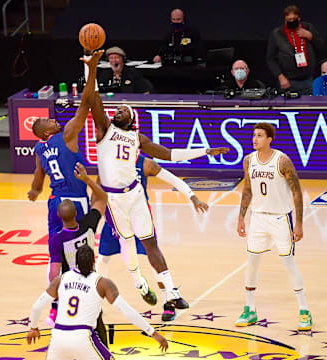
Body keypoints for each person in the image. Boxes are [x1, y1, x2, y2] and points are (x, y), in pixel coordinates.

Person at [82, 49, 229, 321]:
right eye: (120, 108)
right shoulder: (104, 130)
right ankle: (138, 282)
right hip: (113, 200)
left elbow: (170, 155)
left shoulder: (138, 139)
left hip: (135, 196)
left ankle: (171, 292)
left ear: (132, 120)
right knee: (126, 247)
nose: (121, 108)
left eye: (126, 109)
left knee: (150, 244)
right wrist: (92, 69)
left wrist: (204, 151)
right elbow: (92, 98)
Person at [96, 154, 208, 310]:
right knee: (103, 258)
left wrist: (193, 197)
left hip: (139, 216)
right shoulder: (108, 162)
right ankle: (99, 300)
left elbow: (173, 179)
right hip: (116, 216)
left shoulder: (144, 163)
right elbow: (97, 191)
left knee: (152, 256)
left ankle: (169, 300)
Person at [27, 244, 168, 359]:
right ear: (94, 261)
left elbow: (36, 307)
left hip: (58, 337)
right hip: (83, 337)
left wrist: (33, 327)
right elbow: (127, 311)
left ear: (75, 262)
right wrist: (153, 333)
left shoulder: (61, 279)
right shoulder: (102, 283)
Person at [236, 122, 312, 331]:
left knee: (288, 263)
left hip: (280, 218)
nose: (255, 139)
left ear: (270, 139)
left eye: (260, 136)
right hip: (258, 218)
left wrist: (298, 222)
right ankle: (250, 309)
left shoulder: (282, 161)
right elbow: (248, 190)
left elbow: (296, 192)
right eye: (254, 135)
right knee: (252, 261)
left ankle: (304, 311)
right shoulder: (248, 160)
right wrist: (241, 217)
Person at [27, 51, 101, 237]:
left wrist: (35, 190)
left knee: (56, 246)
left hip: (55, 201)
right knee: (81, 246)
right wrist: (92, 70)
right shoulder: (67, 135)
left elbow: (39, 173)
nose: (53, 120)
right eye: (49, 121)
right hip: (75, 200)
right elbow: (85, 103)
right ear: (46, 132)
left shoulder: (39, 149)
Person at [47, 162, 108, 339]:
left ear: (59, 217)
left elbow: (53, 272)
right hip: (91, 281)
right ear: (76, 214)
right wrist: (86, 179)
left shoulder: (56, 239)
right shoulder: (88, 223)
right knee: (97, 322)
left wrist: (55, 297)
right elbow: (102, 198)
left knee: (71, 327)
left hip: (70, 285)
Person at [266, 5, 324, 95]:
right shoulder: (277, 34)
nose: (292, 21)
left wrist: (311, 37)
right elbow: (270, 59)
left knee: (309, 106)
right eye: (289, 20)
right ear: (285, 20)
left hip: (308, 79)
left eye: (294, 19)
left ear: (299, 18)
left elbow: (322, 47)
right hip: (287, 79)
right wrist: (280, 76)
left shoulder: (308, 28)